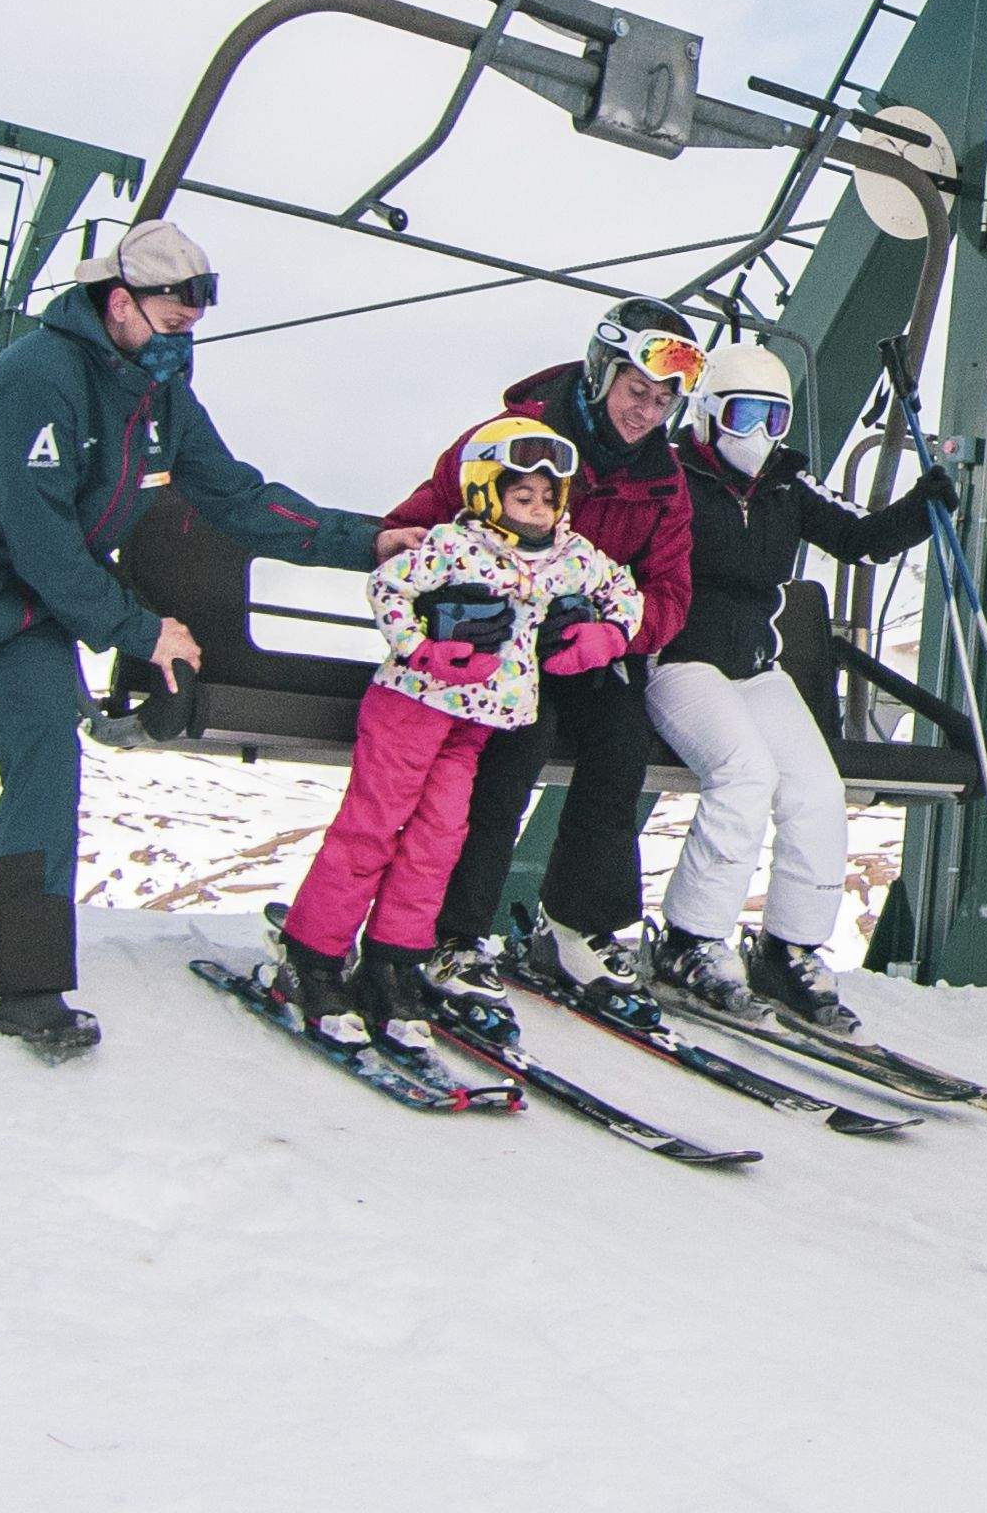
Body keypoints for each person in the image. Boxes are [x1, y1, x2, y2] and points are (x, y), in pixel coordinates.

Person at [0, 218, 411, 1060]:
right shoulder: (37, 379)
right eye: (170, 316)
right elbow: (38, 536)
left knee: (46, 764)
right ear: (118, 304)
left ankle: (30, 989)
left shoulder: (158, 392)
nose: (183, 336)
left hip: (29, 608)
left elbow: (236, 496)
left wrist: (364, 541)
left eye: (191, 323)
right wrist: (139, 629)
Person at [272, 417, 641, 1049]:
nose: (538, 511)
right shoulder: (455, 545)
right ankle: (314, 956)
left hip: (476, 725)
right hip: (413, 707)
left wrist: (608, 634)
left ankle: (394, 961)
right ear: (488, 493)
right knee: (373, 827)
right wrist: (420, 649)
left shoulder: (569, 556)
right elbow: (389, 586)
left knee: (438, 839)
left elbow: (623, 592)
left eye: (550, 499)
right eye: (522, 497)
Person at [630, 335, 947, 1036]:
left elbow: (859, 539)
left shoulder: (784, 486)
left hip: (755, 668)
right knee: (743, 776)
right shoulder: (674, 476)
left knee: (815, 788)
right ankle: (689, 943)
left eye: (775, 420)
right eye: (745, 416)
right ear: (709, 414)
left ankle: (789, 949)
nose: (760, 436)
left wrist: (924, 508)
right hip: (681, 662)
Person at [408, 298, 700, 976]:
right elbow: (420, 524)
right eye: (636, 392)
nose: (646, 415)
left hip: (583, 650)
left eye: (662, 402)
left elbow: (670, 592)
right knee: (515, 748)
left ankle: (578, 926)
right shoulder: (515, 438)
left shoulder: (661, 481)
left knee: (622, 741)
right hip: (499, 651)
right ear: (603, 375)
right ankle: (455, 931)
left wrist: (616, 631)